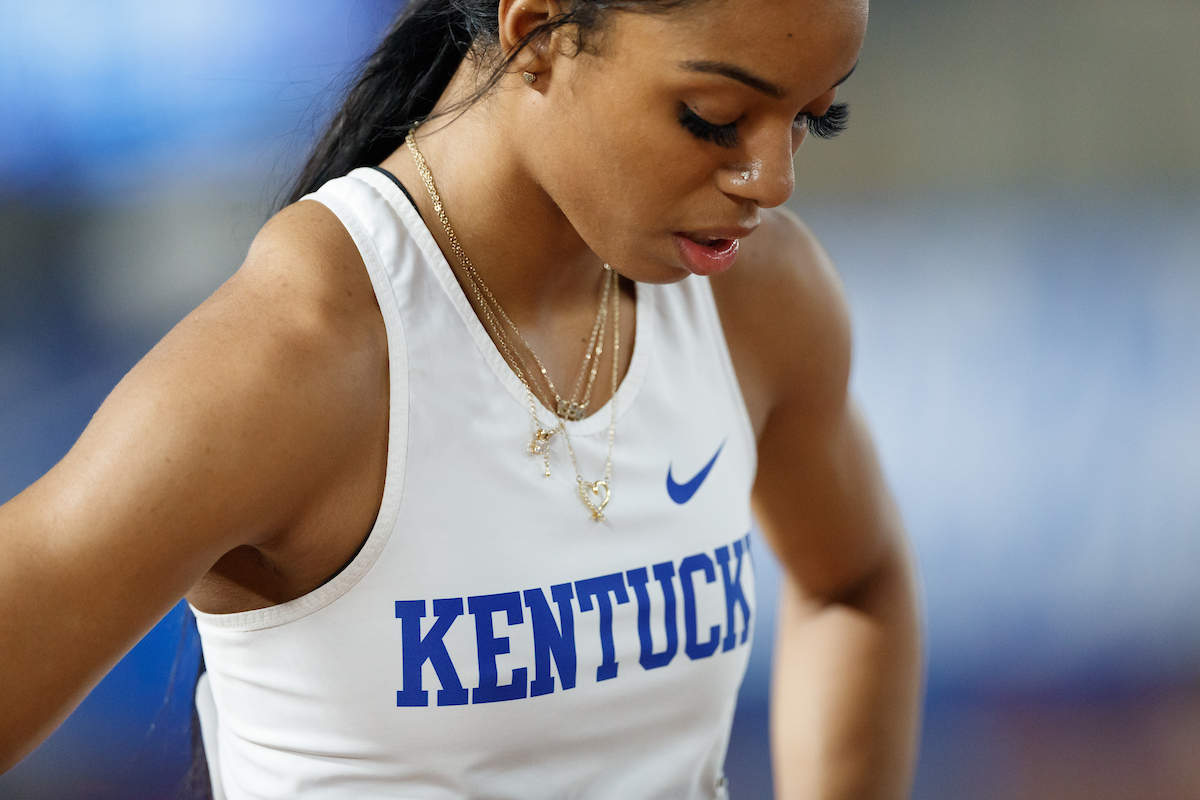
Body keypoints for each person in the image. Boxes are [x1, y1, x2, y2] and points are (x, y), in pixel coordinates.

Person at [0, 0, 921, 796]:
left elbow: (856, 582)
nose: (773, 180)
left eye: (811, 119)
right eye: (716, 118)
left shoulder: (758, 299)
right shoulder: (301, 358)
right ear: (538, 34)